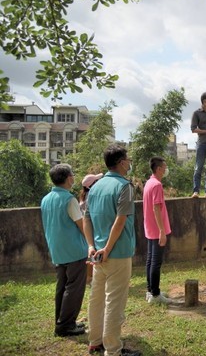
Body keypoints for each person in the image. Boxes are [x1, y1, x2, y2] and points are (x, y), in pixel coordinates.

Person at [83, 145, 141, 356]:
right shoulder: (125, 186)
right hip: (117, 253)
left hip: (98, 254)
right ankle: (113, 349)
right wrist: (108, 248)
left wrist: (92, 246)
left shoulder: (95, 187)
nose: (129, 162)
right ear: (121, 162)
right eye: (127, 159)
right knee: (114, 302)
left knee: (96, 299)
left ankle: (95, 341)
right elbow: (121, 219)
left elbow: (86, 219)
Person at [40, 164, 88, 337]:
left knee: (62, 287)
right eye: (72, 175)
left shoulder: (46, 199)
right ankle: (66, 326)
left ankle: (61, 321)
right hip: (74, 250)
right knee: (74, 288)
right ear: (68, 178)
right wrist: (92, 244)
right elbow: (81, 225)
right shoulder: (69, 199)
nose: (73, 178)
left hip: (57, 250)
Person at [143, 156, 173, 304]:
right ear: (159, 169)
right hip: (156, 229)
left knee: (150, 260)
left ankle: (150, 290)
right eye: (165, 167)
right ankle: (155, 294)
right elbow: (156, 208)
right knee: (156, 262)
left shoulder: (149, 183)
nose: (166, 170)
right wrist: (162, 231)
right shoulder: (156, 185)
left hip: (150, 227)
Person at [79, 173, 103, 285]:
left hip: (87, 229)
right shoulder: (91, 197)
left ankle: (90, 278)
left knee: (90, 254)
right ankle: (91, 278)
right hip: (92, 228)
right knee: (93, 254)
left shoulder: (83, 197)